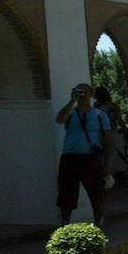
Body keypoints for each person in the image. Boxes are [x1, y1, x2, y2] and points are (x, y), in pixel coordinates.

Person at [55, 82, 112, 226]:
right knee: (66, 194)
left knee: (97, 195)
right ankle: (65, 227)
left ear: (91, 94)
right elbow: (59, 119)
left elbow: (107, 140)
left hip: (91, 158)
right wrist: (72, 101)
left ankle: (98, 226)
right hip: (70, 157)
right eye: (79, 91)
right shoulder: (70, 113)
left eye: (85, 91)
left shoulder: (100, 115)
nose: (82, 94)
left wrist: (106, 164)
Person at [93, 86, 128, 189]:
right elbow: (120, 121)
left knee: (98, 158)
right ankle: (107, 181)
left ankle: (101, 182)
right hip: (111, 133)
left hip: (97, 134)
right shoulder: (112, 106)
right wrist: (126, 132)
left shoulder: (95, 107)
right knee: (108, 158)